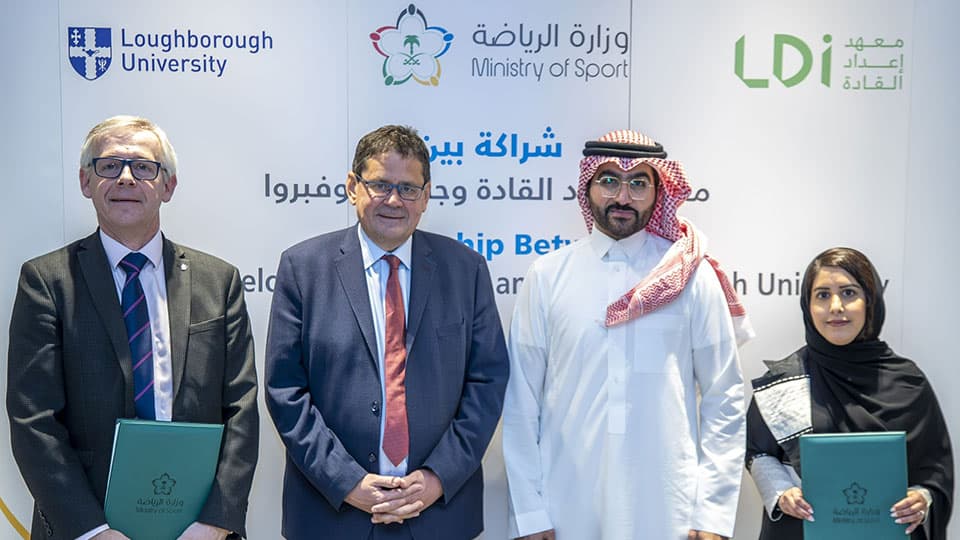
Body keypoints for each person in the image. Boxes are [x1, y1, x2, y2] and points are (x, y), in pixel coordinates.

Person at [6, 115, 259, 540]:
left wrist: (217, 520)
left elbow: (242, 409)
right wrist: (92, 531)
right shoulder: (46, 282)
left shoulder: (220, 281)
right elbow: (34, 420)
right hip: (85, 527)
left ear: (168, 186)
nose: (126, 178)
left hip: (199, 529)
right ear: (86, 182)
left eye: (143, 166)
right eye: (109, 165)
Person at [502, 129, 752, 540]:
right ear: (587, 187)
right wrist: (530, 514)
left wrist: (712, 514)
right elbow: (521, 402)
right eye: (609, 180)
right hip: (567, 506)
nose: (623, 196)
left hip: (670, 507)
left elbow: (724, 396)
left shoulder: (691, 276)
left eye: (638, 182)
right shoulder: (548, 276)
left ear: (659, 191)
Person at [264, 124, 509, 540]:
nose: (394, 200)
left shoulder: (466, 270)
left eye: (408, 188)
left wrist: (436, 478)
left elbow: (486, 384)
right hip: (332, 515)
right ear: (352, 186)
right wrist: (346, 482)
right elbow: (286, 390)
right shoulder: (302, 268)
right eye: (380, 184)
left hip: (439, 517)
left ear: (426, 195)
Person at [745, 247, 954, 539]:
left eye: (848, 293)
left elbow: (934, 470)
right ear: (808, 305)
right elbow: (758, 452)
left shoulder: (908, 382)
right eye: (822, 295)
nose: (835, 307)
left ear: (870, 301)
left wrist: (922, 499)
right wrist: (782, 493)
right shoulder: (783, 381)